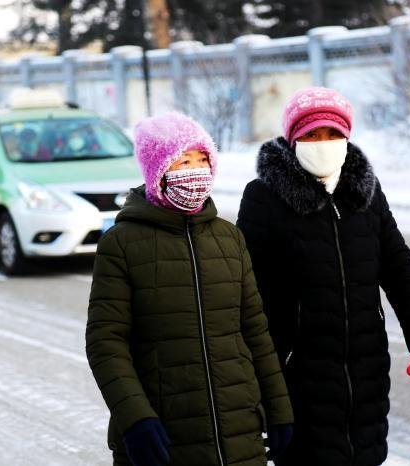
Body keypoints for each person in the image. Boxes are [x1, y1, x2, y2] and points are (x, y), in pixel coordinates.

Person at [236, 87, 410, 466]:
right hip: (298, 374)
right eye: (312, 134)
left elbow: (398, 266)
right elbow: (247, 294)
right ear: (293, 138)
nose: (323, 143)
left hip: (365, 369)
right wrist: (257, 377)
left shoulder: (365, 193)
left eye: (333, 134)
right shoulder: (263, 198)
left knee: (364, 453)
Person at [86, 112, 294, 466]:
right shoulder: (121, 243)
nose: (196, 171)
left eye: (202, 160)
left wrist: (279, 409)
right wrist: (134, 416)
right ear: (157, 170)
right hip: (163, 434)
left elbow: (255, 332)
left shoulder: (228, 237)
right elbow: (106, 343)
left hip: (239, 430)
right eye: (183, 161)